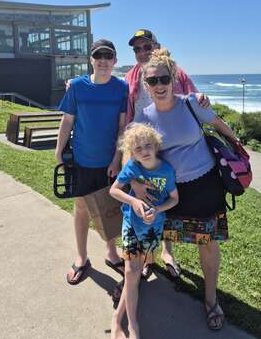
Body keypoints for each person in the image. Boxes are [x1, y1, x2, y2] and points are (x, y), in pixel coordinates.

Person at [134, 48, 237, 331]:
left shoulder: (192, 103)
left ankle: (211, 300)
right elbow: (131, 151)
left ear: (174, 78)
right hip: (167, 189)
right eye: (152, 81)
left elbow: (218, 124)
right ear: (146, 85)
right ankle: (145, 268)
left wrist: (238, 147)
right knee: (153, 233)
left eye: (163, 79)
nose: (159, 86)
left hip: (204, 184)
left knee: (207, 242)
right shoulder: (143, 116)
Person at [125, 28, 210, 278]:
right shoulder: (130, 77)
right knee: (149, 200)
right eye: (137, 48)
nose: (142, 52)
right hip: (143, 149)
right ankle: (149, 255)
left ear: (156, 47)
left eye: (146, 46)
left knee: (166, 202)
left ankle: (167, 251)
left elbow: (193, 96)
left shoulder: (174, 72)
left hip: (170, 150)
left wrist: (202, 96)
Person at [55, 39, 128, 284]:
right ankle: (81, 257)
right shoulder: (76, 86)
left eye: (108, 57)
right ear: (91, 60)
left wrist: (117, 158)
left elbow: (122, 127)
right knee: (82, 208)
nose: (103, 61)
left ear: (115, 61)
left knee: (108, 207)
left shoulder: (121, 88)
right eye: (99, 56)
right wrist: (58, 152)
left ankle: (111, 252)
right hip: (81, 160)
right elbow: (67, 121)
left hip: (108, 162)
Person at [110, 122, 178, 339]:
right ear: (132, 153)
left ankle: (116, 317)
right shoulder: (132, 168)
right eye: (138, 149)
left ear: (156, 146)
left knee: (135, 274)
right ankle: (132, 324)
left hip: (152, 228)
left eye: (148, 145)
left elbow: (175, 199)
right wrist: (134, 202)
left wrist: (158, 209)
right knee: (131, 272)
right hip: (131, 223)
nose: (144, 151)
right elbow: (114, 190)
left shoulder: (166, 170)